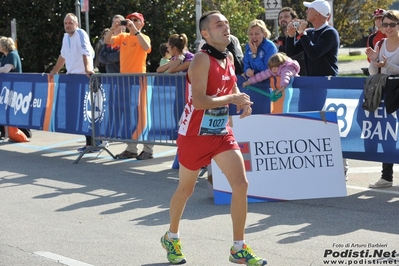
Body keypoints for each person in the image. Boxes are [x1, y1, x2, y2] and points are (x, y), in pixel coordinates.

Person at [160, 10, 267, 266]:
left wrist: (243, 100)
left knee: (240, 184)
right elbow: (199, 101)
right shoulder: (200, 60)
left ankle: (238, 248)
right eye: (219, 25)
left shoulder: (229, 56)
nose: (226, 27)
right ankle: (171, 237)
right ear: (205, 33)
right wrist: (232, 99)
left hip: (219, 132)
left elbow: (231, 86)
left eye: (227, 23)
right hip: (194, 134)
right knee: (186, 189)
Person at [285, 1, 348, 178]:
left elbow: (314, 53)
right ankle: (313, 165)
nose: (306, 11)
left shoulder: (330, 33)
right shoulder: (310, 33)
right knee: (307, 123)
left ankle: (340, 166)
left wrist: (302, 33)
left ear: (318, 14)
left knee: (326, 126)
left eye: (310, 8)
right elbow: (292, 53)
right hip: (309, 85)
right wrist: (291, 36)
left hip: (325, 85)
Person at [104, 12, 153, 160]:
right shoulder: (123, 37)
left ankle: (148, 150)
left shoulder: (143, 37)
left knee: (142, 116)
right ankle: (131, 148)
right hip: (125, 82)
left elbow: (147, 48)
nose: (131, 22)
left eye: (135, 20)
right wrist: (113, 28)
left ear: (142, 24)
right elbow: (107, 41)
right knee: (129, 116)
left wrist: (135, 30)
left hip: (139, 81)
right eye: (130, 20)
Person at [49, 13, 96, 153]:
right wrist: (54, 71)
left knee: (86, 112)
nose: (68, 25)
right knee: (79, 112)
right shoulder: (65, 37)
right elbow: (62, 56)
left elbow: (86, 51)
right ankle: (91, 142)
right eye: (66, 23)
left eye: (70, 22)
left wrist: (88, 69)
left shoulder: (81, 33)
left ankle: (93, 143)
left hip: (83, 78)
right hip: (72, 78)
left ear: (77, 24)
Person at [366, 10, 399, 189]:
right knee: (388, 134)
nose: (388, 28)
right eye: (385, 24)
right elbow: (374, 73)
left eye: (392, 24)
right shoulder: (381, 43)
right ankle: (386, 177)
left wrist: (387, 65)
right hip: (387, 93)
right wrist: (373, 61)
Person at [0, 36, 30, 140]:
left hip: (15, 87)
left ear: (4, 46)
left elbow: (6, 69)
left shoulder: (12, 55)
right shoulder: (4, 56)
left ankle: (25, 131)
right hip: (7, 87)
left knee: (15, 109)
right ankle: (3, 132)